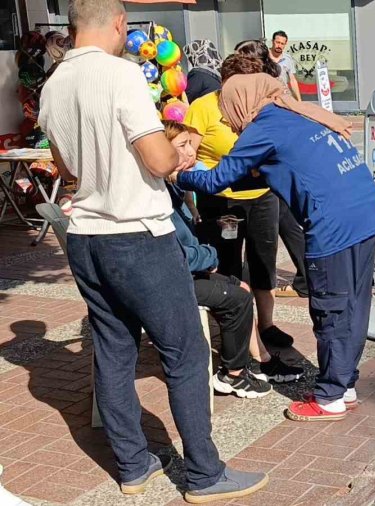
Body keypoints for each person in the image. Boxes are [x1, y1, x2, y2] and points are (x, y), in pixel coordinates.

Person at [37, 0, 267, 502]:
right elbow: (160, 158)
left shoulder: (52, 85)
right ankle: (205, 474)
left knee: (113, 352)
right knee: (184, 353)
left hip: (86, 237)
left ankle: (133, 465)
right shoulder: (121, 75)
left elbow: (64, 167)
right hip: (138, 233)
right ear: (120, 24)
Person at [177, 73, 375, 422]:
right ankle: (344, 385)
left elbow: (217, 180)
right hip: (366, 213)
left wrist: (179, 174)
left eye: (227, 110)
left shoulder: (264, 128)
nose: (228, 120)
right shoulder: (295, 114)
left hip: (333, 224)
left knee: (331, 310)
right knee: (354, 304)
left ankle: (330, 397)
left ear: (242, 101)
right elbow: (259, 175)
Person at [164, 121, 305, 394]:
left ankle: (255, 359)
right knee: (237, 291)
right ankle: (239, 370)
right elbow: (176, 250)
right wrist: (209, 255)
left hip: (180, 266)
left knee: (241, 283)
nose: (192, 151)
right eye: (182, 146)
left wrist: (207, 227)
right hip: (172, 276)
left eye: (191, 144)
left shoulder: (177, 188)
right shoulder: (163, 191)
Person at [183, 52, 295, 350]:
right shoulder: (203, 107)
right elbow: (187, 154)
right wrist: (191, 193)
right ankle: (236, 333)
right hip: (219, 201)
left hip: (261, 197)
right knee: (227, 266)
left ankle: (267, 326)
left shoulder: (264, 106)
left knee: (263, 262)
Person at [231, 44, 310, 298]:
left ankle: (304, 278)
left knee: (286, 223)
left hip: (271, 169)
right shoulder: (271, 83)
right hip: (279, 167)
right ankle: (306, 277)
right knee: (289, 223)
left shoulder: (263, 89)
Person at [270, 31, 301, 100]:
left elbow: (292, 80)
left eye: (282, 44)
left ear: (285, 44)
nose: (279, 46)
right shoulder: (264, 57)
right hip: (268, 97)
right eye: (277, 42)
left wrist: (299, 100)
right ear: (272, 41)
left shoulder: (287, 59)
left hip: (284, 96)